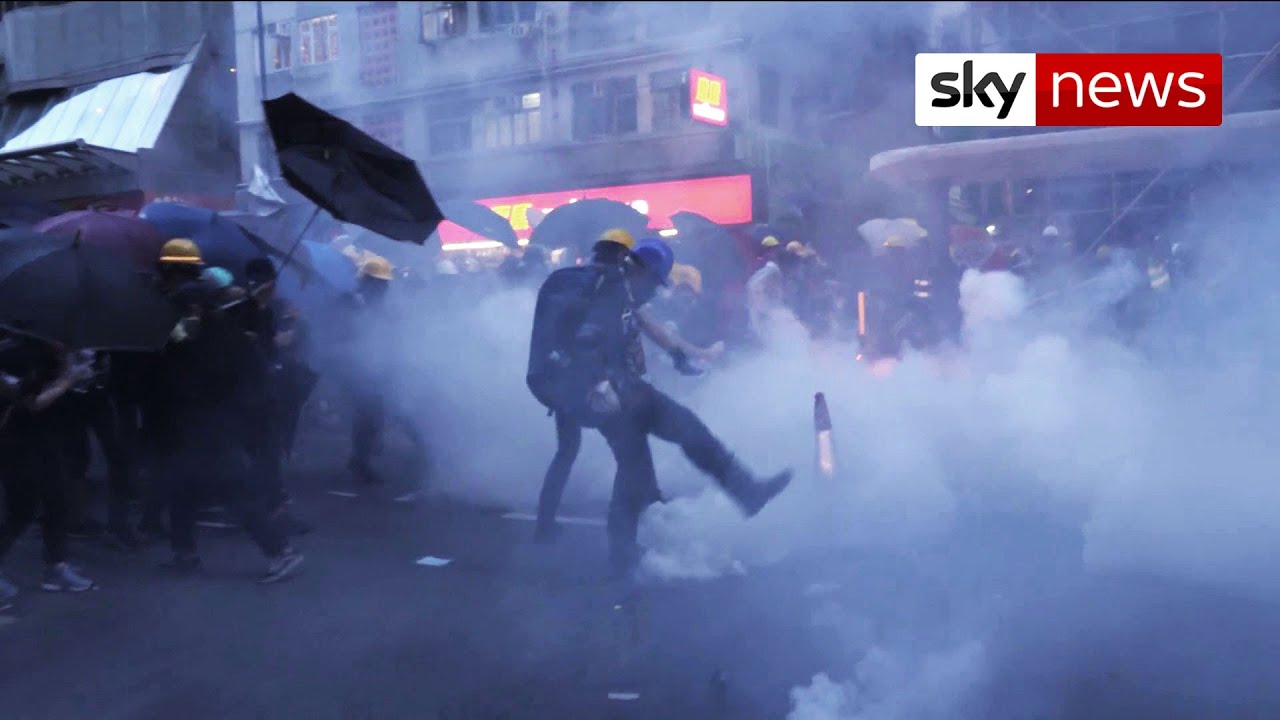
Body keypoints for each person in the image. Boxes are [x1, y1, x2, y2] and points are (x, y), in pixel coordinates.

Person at [528, 236, 791, 575]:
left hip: (587, 389)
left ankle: (625, 549)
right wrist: (599, 381)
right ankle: (742, 492)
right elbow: (586, 339)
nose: (654, 292)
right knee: (680, 430)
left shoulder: (614, 289)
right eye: (654, 283)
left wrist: (680, 356)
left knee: (638, 462)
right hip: (597, 391)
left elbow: (651, 329)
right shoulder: (608, 291)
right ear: (640, 271)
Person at [530, 230, 724, 544]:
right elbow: (651, 330)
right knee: (628, 447)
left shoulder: (589, 285)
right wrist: (682, 356)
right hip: (593, 384)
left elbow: (650, 330)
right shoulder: (610, 290)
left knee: (571, 450)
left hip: (563, 382)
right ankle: (630, 534)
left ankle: (545, 523)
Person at [155, 281, 303, 583]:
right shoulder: (214, 332)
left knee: (233, 490)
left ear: (196, 308)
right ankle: (185, 553)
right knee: (179, 487)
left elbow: (205, 378)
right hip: (197, 426)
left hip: (215, 427)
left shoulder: (218, 338)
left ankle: (280, 551)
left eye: (182, 310)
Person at [0, 337, 99, 603]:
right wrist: (67, 380)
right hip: (18, 444)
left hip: (48, 441)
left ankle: (56, 567)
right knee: (21, 512)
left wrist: (77, 374)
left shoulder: (59, 355)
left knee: (58, 504)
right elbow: (31, 404)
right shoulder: (17, 355)